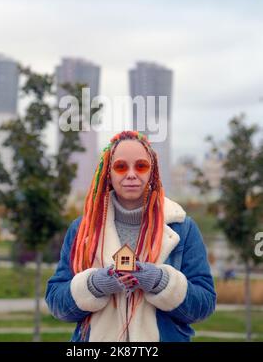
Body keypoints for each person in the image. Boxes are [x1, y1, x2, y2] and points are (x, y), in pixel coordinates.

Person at [45, 131, 216, 342]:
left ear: (152, 172)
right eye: (121, 166)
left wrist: (160, 281)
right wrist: (95, 284)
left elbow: (204, 306)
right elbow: (57, 303)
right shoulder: (82, 229)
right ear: (108, 173)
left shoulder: (183, 228)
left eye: (141, 166)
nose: (131, 174)